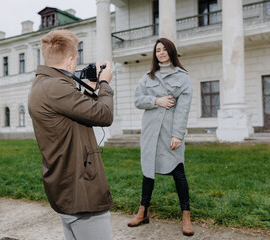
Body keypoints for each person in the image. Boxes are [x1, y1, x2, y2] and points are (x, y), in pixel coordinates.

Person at [28, 29, 114, 240]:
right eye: (76, 58)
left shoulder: (43, 84)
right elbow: (104, 115)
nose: (76, 63)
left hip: (65, 185)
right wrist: (105, 84)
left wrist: (88, 91)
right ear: (68, 61)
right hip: (82, 190)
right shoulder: (57, 87)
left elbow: (71, 118)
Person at [128, 38, 194, 236]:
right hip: (150, 131)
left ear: (171, 52)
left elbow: (183, 109)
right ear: (154, 54)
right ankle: (143, 211)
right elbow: (137, 100)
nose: (161, 53)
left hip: (169, 132)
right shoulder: (147, 77)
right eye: (158, 50)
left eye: (165, 49)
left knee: (178, 173)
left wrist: (178, 135)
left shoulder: (183, 77)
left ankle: (186, 215)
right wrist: (156, 100)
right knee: (148, 171)